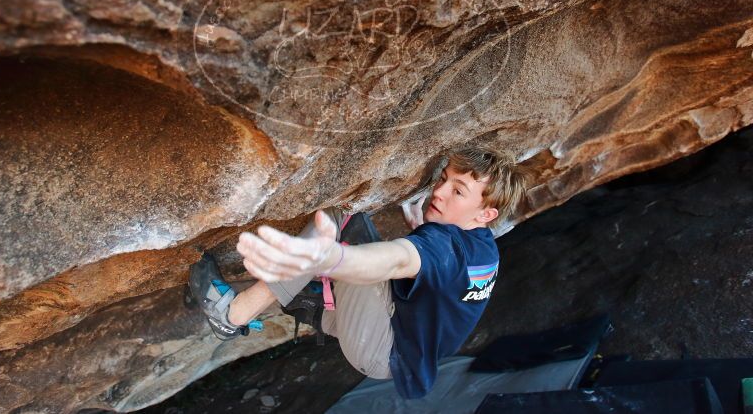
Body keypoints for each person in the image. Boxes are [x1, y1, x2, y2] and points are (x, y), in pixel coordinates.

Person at [188, 148, 529, 399]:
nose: (438, 192)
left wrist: (333, 258)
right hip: (399, 352)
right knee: (302, 287)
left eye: (458, 191)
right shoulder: (484, 250)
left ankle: (232, 314)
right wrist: (423, 229)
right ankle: (316, 306)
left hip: (379, 345)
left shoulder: (444, 247)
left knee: (343, 217)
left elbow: (396, 260)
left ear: (486, 213)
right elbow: (444, 279)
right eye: (444, 179)